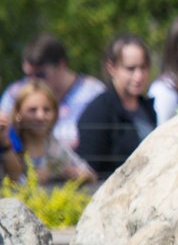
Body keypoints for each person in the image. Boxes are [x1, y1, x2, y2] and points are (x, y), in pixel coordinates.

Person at [0, 34, 106, 150]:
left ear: (61, 65)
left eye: (40, 75)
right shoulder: (15, 94)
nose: (32, 81)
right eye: (28, 75)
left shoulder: (93, 93)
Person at [77, 35, 156, 179]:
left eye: (143, 67)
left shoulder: (147, 108)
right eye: (130, 69)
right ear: (111, 68)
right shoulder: (98, 112)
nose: (138, 76)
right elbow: (89, 170)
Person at [3, 80, 95, 186]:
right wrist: (33, 180)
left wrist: (76, 174)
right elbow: (11, 182)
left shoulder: (55, 146)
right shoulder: (10, 143)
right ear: (18, 113)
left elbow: (90, 174)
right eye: (32, 110)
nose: (40, 116)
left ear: (55, 113)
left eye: (46, 110)